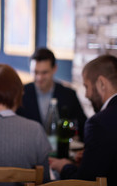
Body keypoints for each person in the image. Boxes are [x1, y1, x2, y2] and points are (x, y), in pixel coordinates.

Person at [49, 54, 117, 185]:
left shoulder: (98, 123)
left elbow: (84, 182)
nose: (86, 95)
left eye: (86, 87)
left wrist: (64, 166)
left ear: (101, 83)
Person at [16, 47, 87, 141]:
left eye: (44, 73)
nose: (39, 78)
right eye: (35, 72)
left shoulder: (69, 95)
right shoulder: (21, 93)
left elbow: (82, 126)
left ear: (54, 69)